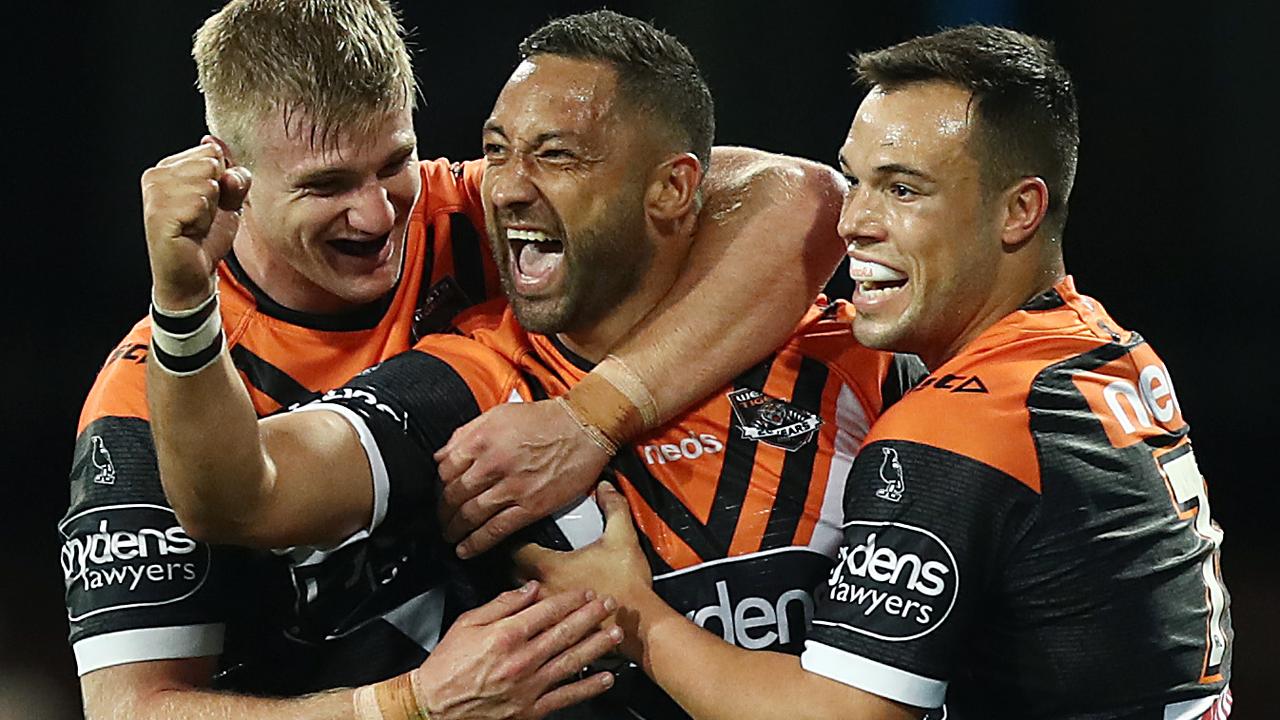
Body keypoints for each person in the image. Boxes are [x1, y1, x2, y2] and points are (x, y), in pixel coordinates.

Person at [62, 2, 852, 718]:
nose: (376, 216)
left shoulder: (467, 216)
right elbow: (133, 711)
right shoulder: (145, 396)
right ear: (230, 172)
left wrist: (594, 416)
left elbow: (806, 200)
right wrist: (406, 707)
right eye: (327, 185)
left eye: (391, 165)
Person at [521, 24, 1235, 720]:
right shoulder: (1109, 349)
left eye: (902, 190)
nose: (852, 221)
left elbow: (839, 714)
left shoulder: (959, 426)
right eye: (856, 180)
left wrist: (635, 613)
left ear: (1019, 210)